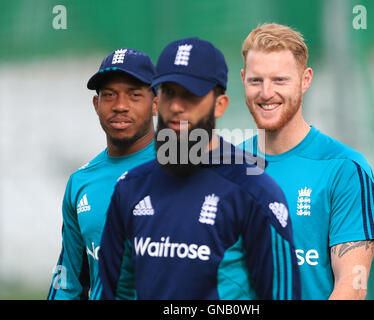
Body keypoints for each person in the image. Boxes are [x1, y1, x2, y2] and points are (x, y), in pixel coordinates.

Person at [92, 37, 300, 300]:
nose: (177, 107)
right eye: (168, 92)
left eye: (191, 95)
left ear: (220, 104)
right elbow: (110, 290)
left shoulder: (255, 190)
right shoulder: (130, 187)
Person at [238, 23, 374, 300]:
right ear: (243, 79)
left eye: (280, 80)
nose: (266, 92)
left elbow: (352, 285)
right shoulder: (226, 166)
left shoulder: (344, 167)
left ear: (305, 80)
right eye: (256, 80)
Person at [47, 48, 157, 299]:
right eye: (109, 95)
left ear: (156, 104)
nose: (120, 106)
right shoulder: (80, 182)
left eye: (134, 95)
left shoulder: (186, 171)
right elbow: (69, 281)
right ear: (97, 105)